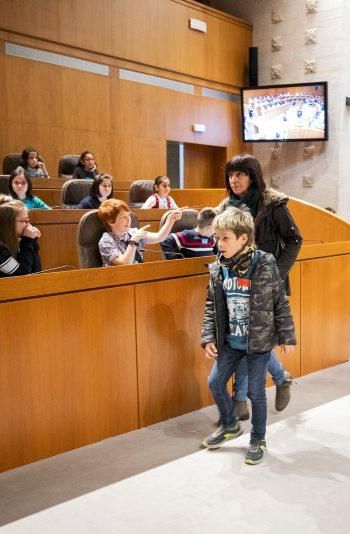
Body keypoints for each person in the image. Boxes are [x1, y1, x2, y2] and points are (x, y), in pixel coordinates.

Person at [201, 207, 296, 465]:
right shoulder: (219, 267)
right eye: (217, 238)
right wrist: (208, 336)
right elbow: (212, 305)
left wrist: (286, 336)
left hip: (258, 343)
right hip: (231, 343)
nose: (219, 244)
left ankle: (258, 438)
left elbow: (279, 301)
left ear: (243, 239)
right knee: (215, 382)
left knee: (256, 393)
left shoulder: (263, 263)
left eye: (225, 238)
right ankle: (230, 425)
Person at [215, 153, 303, 420]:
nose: (234, 179)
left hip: (265, 284)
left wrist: (274, 274)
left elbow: (294, 240)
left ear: (253, 176)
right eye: (231, 174)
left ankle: (240, 399)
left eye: (240, 174)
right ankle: (279, 377)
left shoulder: (271, 204)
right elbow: (218, 243)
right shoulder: (225, 207)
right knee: (243, 340)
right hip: (235, 284)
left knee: (252, 341)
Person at [0, 195, 42, 279]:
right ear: (8, 223)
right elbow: (22, 277)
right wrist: (27, 241)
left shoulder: (16, 242)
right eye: (24, 220)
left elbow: (36, 272)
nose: (28, 225)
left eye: (28, 220)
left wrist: (33, 243)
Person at [97, 199, 181, 266]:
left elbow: (159, 237)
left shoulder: (133, 232)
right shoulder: (106, 241)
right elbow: (124, 264)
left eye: (129, 215)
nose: (129, 220)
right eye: (123, 217)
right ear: (111, 221)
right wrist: (134, 240)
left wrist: (171, 219)